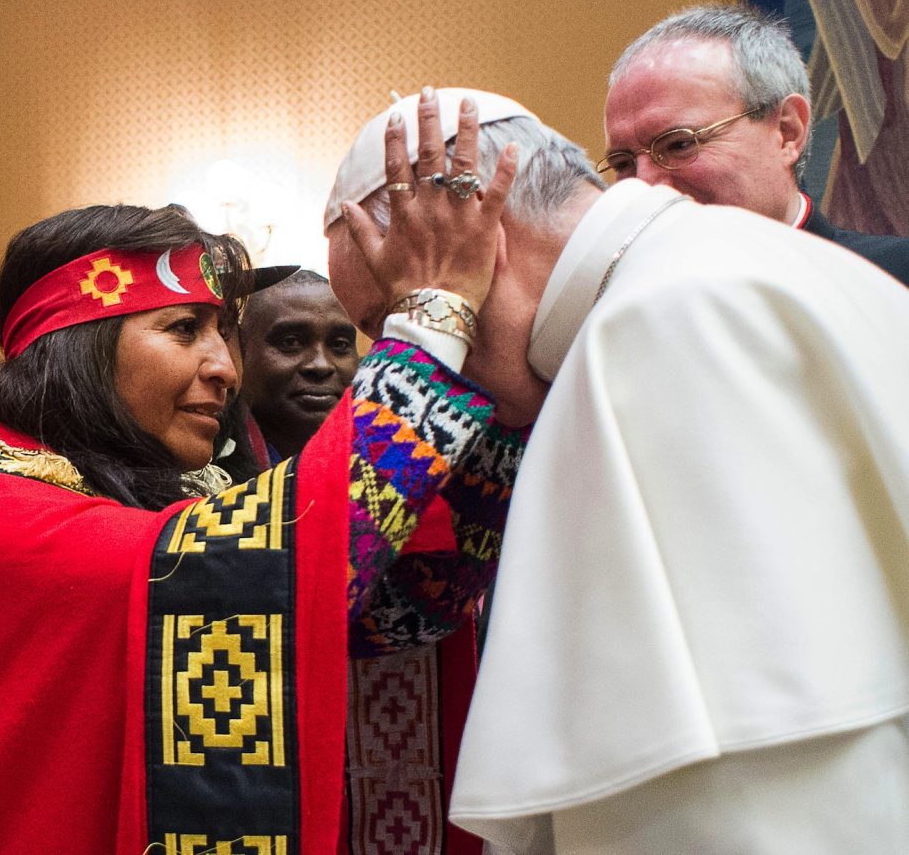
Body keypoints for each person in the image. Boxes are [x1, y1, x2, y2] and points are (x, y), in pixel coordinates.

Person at [326, 86, 909, 853]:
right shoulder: (762, 263)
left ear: (469, 250)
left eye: (390, 315)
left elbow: (737, 779)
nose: (397, 345)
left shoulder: (652, 326)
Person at [0, 198, 526, 853]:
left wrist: (509, 414)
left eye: (223, 331)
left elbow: (391, 613)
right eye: (185, 328)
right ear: (76, 341)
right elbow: (245, 565)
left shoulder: (128, 491)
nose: (225, 366)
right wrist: (436, 319)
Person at [600, 4, 909, 285]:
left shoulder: (892, 279)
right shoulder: (625, 307)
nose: (643, 186)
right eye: (623, 164)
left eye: (679, 144)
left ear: (787, 132)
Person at [239, 269, 360, 465]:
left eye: (339, 344)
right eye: (291, 342)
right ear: (240, 351)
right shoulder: (203, 470)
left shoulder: (384, 463)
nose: (321, 365)